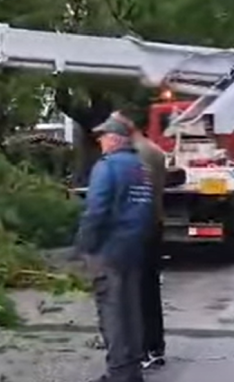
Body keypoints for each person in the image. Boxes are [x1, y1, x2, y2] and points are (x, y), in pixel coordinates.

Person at [75, 114, 154, 382]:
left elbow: (96, 211)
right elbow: (146, 209)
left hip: (109, 250)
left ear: (114, 139)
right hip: (135, 248)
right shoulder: (140, 168)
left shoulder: (106, 167)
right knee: (132, 309)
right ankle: (133, 369)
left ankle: (119, 372)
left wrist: (85, 246)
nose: (100, 142)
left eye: (103, 137)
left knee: (112, 312)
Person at [110, 112, 167, 369]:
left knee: (136, 292)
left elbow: (132, 194)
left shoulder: (137, 154)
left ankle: (144, 347)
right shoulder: (153, 150)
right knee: (149, 289)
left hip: (138, 228)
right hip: (153, 224)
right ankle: (155, 345)